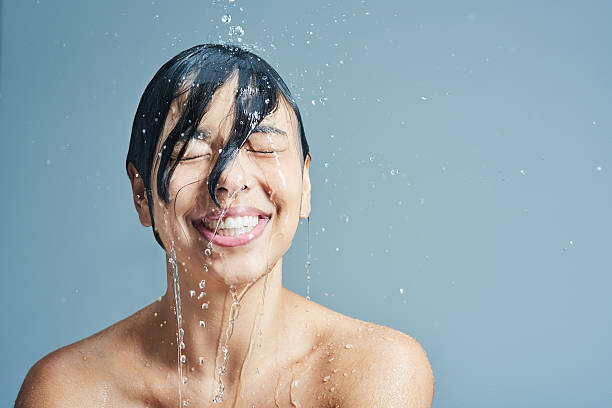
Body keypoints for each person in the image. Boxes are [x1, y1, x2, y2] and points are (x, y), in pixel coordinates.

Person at [15, 44, 434, 407]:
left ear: (305, 186)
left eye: (264, 145)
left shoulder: (373, 369)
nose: (230, 179)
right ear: (142, 193)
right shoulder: (69, 391)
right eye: (190, 150)